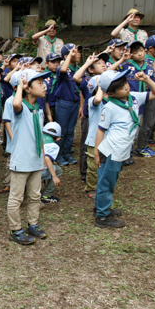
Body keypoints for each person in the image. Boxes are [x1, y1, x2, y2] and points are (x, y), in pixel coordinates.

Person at [94, 70, 155, 228]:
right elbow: (100, 130)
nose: (126, 87)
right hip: (112, 151)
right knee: (106, 183)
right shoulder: (110, 107)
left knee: (110, 181)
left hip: (122, 150)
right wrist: (96, 151)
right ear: (111, 93)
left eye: (125, 82)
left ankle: (101, 208)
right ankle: (102, 217)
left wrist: (146, 79)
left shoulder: (134, 98)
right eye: (120, 87)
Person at [7, 69, 51, 245]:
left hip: (35, 159)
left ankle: (33, 224)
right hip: (21, 160)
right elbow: (16, 104)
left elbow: (38, 134)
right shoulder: (20, 107)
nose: (44, 86)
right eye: (39, 83)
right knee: (17, 197)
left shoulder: (37, 109)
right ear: (27, 88)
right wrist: (20, 87)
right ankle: (15, 229)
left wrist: (43, 157)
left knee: (35, 195)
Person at [115, 40, 155, 158]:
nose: (140, 54)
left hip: (148, 98)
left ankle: (142, 146)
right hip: (133, 100)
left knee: (149, 123)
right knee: (133, 125)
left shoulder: (149, 66)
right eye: (136, 52)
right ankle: (127, 152)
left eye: (141, 50)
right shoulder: (125, 66)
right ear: (130, 54)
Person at [73, 52, 109, 184]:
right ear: (91, 69)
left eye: (104, 63)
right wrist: (87, 63)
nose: (103, 65)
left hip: (104, 117)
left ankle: (99, 169)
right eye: (99, 63)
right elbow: (76, 77)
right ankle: (85, 172)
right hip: (90, 118)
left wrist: (122, 59)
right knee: (87, 145)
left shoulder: (106, 79)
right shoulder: (89, 81)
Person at [52, 44, 84, 166]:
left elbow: (80, 89)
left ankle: (66, 153)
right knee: (62, 130)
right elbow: (64, 70)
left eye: (78, 51)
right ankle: (58, 155)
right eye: (75, 52)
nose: (78, 54)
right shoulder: (63, 68)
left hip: (75, 103)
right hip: (64, 104)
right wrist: (69, 57)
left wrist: (81, 106)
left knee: (71, 131)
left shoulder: (78, 69)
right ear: (66, 56)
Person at [83, 77, 105, 201]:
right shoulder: (92, 100)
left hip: (106, 139)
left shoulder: (110, 101)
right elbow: (98, 98)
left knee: (103, 165)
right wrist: (102, 85)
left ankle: (101, 186)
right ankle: (91, 188)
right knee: (93, 167)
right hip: (93, 140)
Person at [41, 122, 62, 203]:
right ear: (58, 138)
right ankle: (46, 195)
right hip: (38, 172)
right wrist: (54, 176)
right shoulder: (54, 146)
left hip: (25, 169)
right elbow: (47, 158)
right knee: (58, 170)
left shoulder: (37, 138)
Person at [43, 52, 62, 122]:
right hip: (48, 106)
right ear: (46, 63)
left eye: (58, 62)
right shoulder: (42, 77)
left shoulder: (61, 76)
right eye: (53, 62)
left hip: (59, 105)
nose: (56, 65)